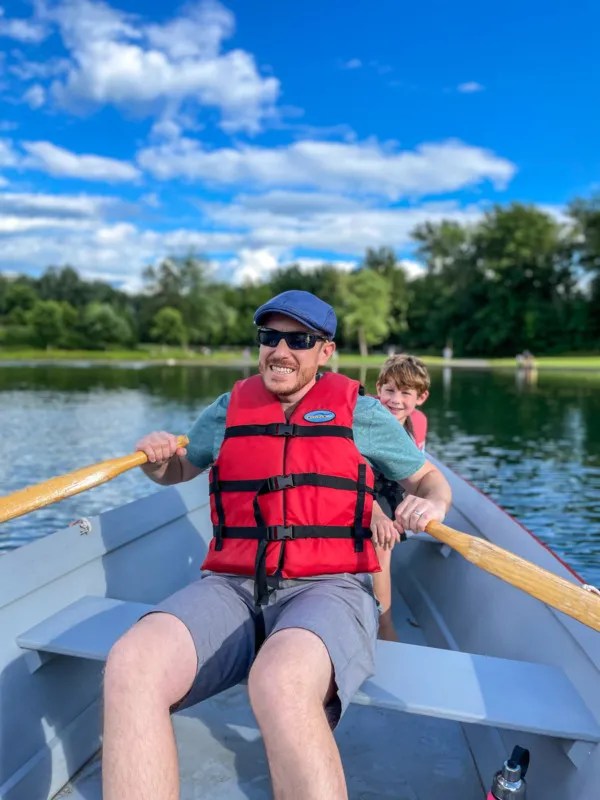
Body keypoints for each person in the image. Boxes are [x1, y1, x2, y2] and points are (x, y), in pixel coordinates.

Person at [102, 290, 451, 800]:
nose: (281, 350)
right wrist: (158, 461)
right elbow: (179, 468)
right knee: (132, 663)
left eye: (299, 340)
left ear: (325, 351)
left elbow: (428, 480)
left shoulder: (363, 413)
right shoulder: (228, 409)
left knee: (281, 681)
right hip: (233, 583)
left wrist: (433, 504)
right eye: (270, 336)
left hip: (330, 585)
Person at [373, 355, 430, 641]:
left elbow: (414, 475)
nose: (395, 400)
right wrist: (378, 515)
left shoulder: (418, 422)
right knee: (383, 543)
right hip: (360, 484)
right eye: (390, 390)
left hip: (391, 487)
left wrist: (407, 512)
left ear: (421, 397)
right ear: (378, 389)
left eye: (406, 393)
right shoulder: (367, 418)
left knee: (394, 526)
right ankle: (385, 626)